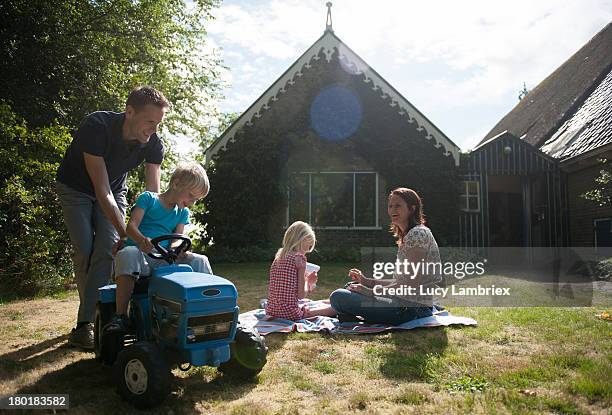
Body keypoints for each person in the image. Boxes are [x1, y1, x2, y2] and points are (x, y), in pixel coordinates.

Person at [56, 86, 170, 349]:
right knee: (84, 249)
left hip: (114, 189)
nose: (153, 130)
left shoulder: (152, 143)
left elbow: (152, 195)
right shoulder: (97, 126)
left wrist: (146, 232)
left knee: (106, 251)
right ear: (130, 112)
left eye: (158, 124)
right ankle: (93, 315)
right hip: (76, 188)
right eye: (150, 122)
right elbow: (100, 188)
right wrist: (127, 232)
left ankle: (85, 325)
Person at [105, 162, 212, 332]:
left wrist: (178, 249)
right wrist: (141, 240)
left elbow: (177, 237)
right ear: (176, 184)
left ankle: (208, 313)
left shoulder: (182, 212)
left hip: (164, 260)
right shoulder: (149, 199)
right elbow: (131, 227)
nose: (192, 202)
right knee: (128, 253)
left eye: (196, 200)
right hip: (141, 256)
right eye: (191, 196)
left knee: (201, 260)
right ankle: (121, 315)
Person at [329, 188, 442, 325]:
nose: (393, 210)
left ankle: (348, 313)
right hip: (403, 303)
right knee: (351, 286)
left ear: (412, 209)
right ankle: (351, 313)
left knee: (338, 297)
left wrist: (372, 292)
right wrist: (366, 281)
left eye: (398, 206)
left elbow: (411, 283)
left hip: (412, 310)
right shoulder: (409, 235)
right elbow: (400, 282)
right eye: (390, 206)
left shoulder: (417, 234)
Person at [265, 221, 337, 320]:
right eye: (308, 247)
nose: (306, 252)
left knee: (321, 303)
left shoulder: (279, 256)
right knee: (333, 310)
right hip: (289, 313)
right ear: (303, 240)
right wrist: (309, 281)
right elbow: (301, 295)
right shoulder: (299, 259)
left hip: (271, 310)